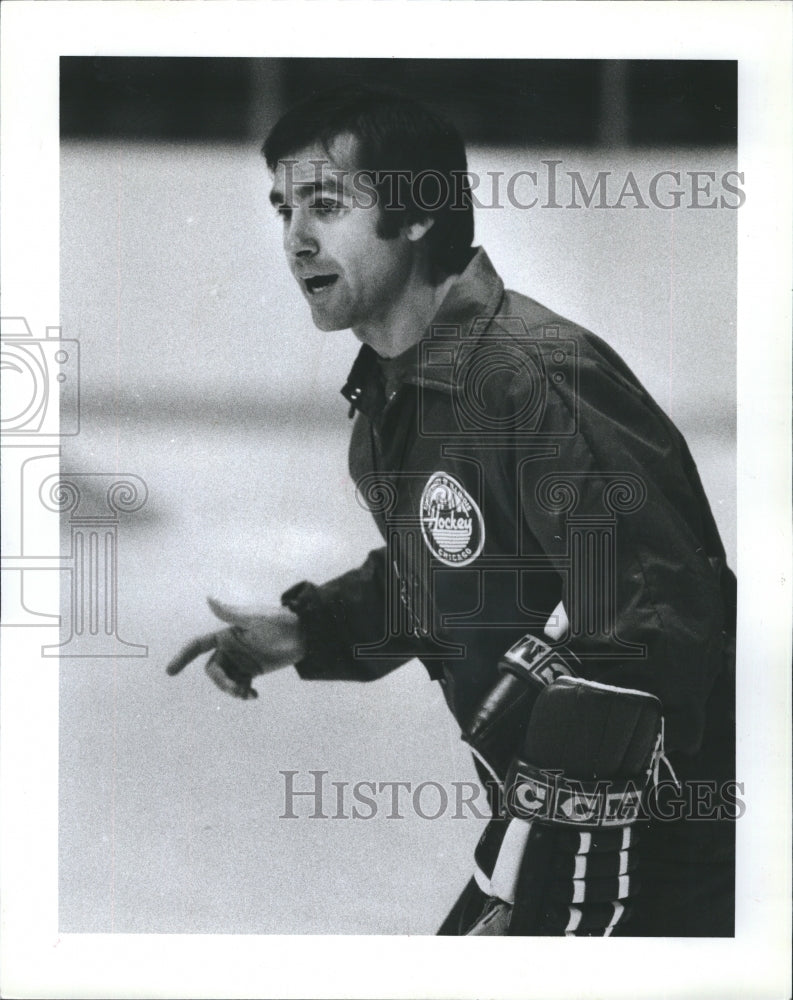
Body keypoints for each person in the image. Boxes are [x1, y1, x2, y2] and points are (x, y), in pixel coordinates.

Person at [166, 85, 736, 936]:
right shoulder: (395, 398)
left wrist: (559, 867)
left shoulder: (532, 378)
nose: (295, 238)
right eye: (284, 208)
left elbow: (646, 618)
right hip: (550, 822)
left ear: (418, 215)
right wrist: (314, 631)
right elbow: (461, 573)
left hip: (648, 842)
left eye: (326, 204)